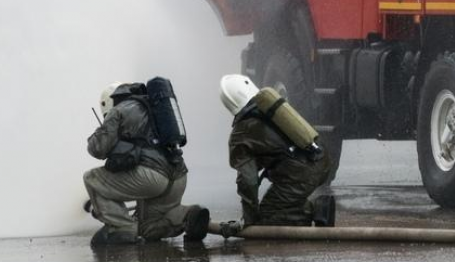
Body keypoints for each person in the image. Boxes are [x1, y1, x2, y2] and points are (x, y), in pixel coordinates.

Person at [84, 81, 209, 246]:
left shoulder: (118, 110)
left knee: (91, 178)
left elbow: (97, 148)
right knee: (148, 228)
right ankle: (186, 215)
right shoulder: (153, 106)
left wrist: (100, 132)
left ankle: (121, 228)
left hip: (151, 178)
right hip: (178, 177)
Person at [220, 74, 335, 232]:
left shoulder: (241, 133)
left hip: (302, 175)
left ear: (229, 104)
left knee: (269, 218)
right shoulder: (271, 108)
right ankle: (305, 207)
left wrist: (249, 220)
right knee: (281, 202)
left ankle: (315, 210)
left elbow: (248, 181)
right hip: (322, 161)